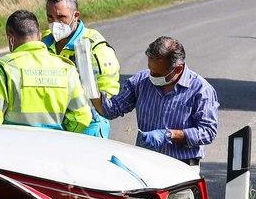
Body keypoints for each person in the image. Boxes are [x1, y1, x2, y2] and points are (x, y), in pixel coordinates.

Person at [94, 36, 219, 166]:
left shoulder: (201, 90)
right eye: (150, 70)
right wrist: (91, 89)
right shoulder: (141, 81)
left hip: (181, 167)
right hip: (145, 162)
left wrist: (171, 135)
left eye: (158, 74)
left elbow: (208, 132)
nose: (152, 76)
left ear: (178, 69)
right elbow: (111, 110)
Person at [0, 10, 93, 133]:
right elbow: (82, 117)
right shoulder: (66, 68)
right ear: (40, 35)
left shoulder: (4, 68)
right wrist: (62, 134)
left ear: (11, 39)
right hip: (55, 147)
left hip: (14, 148)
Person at [43, 0, 120, 138]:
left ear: (76, 16)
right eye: (50, 18)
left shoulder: (95, 47)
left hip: (89, 126)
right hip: (53, 124)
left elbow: (108, 97)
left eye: (61, 17)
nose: (55, 24)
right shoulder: (44, 42)